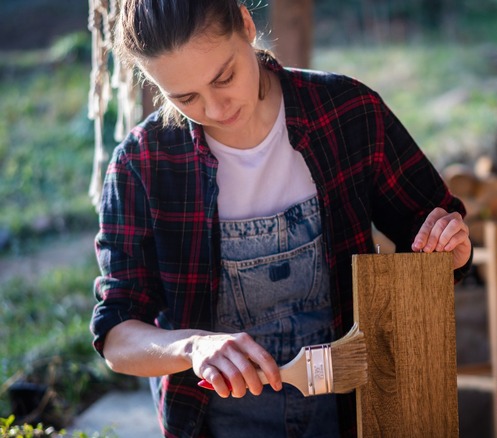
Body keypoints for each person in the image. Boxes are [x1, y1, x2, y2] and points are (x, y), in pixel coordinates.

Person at [89, 0, 472, 437]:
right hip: (214, 425)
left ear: (247, 25)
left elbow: (433, 240)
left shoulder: (348, 112)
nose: (215, 109)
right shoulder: (141, 163)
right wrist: (193, 345)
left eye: (224, 77)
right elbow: (117, 336)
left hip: (359, 417)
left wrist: (451, 250)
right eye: (186, 97)